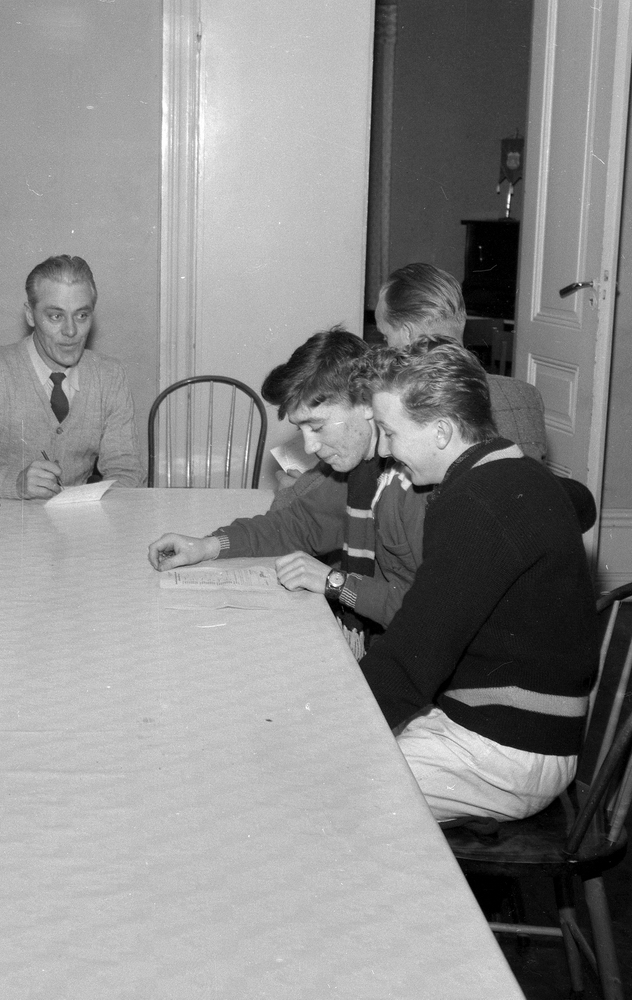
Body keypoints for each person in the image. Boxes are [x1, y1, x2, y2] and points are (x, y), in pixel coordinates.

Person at [359, 340, 597, 822]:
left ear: (442, 431)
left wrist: (324, 725)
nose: (383, 450)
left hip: (508, 752)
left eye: (389, 432)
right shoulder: (515, 472)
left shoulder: (477, 504)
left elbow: (413, 656)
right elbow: (578, 503)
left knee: (326, 785)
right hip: (501, 728)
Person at [149, 328, 424, 649]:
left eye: (317, 426)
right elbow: (295, 525)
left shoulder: (412, 484)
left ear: (366, 402)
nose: (309, 446)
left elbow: (429, 612)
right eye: (301, 429)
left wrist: (335, 583)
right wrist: (205, 547)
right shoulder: (358, 469)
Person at [0, 255, 144, 499]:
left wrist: (97, 506)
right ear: (30, 315)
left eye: (82, 315)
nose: (71, 331)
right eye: (56, 316)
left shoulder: (110, 376)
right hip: (1, 516)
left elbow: (127, 471)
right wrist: (13, 483)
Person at [373, 262, 547, 463]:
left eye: (385, 337)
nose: (385, 346)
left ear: (408, 334)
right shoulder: (525, 396)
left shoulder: (402, 412)